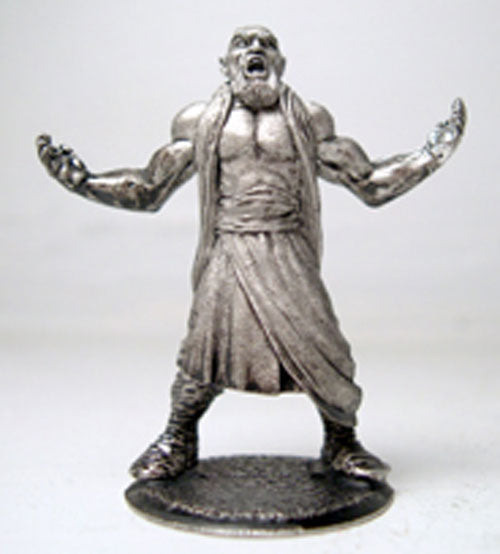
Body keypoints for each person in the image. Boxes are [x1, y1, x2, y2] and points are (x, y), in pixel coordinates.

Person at [37, 25, 466, 483]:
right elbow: (149, 187)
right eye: (243, 44)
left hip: (287, 247)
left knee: (324, 347)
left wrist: (430, 156)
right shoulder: (199, 121)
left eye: (267, 44)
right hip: (229, 247)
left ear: (281, 63)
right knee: (203, 349)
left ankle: (342, 442)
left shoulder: (309, 119)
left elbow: (369, 183)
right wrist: (83, 181)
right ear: (226, 65)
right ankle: (178, 439)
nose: (256, 49)